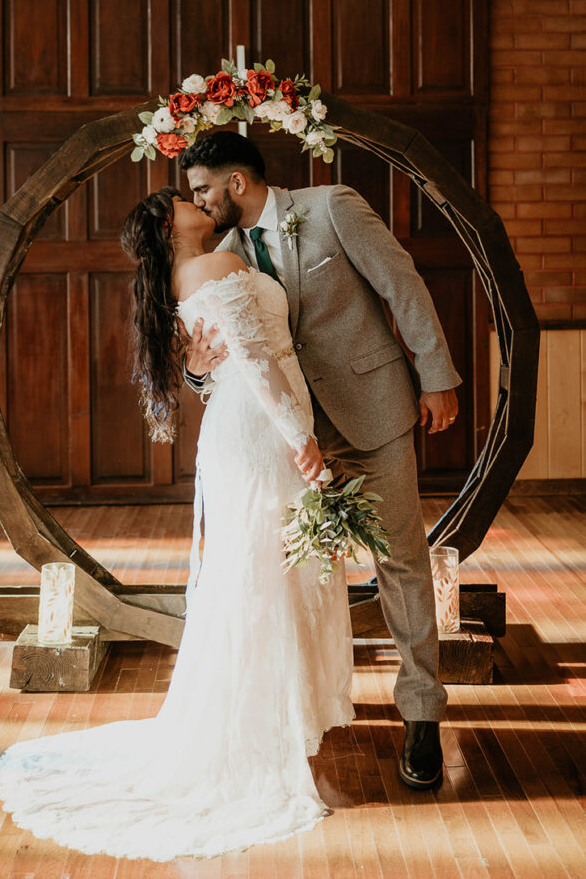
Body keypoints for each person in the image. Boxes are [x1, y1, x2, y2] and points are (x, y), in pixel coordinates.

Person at [0, 186, 355, 861]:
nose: (197, 199)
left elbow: (223, 362)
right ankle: (263, 725)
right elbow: (253, 362)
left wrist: (279, 417)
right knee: (261, 573)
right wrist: (299, 437)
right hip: (261, 428)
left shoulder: (207, 266)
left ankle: (276, 715)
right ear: (168, 227)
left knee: (261, 569)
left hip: (244, 423)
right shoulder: (212, 269)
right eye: (183, 199)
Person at [178, 130, 463, 791]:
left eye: (202, 189)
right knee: (283, 577)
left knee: (399, 560)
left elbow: (403, 285)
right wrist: (196, 375)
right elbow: (217, 360)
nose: (199, 202)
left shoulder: (332, 205)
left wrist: (436, 376)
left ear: (237, 183)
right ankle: (295, 712)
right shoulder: (219, 258)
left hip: (372, 412)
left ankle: (421, 714)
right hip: (283, 442)